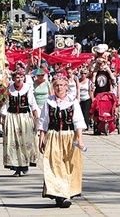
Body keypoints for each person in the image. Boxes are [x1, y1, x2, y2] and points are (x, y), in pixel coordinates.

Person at [37, 73, 86, 208]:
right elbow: (43, 122)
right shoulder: (49, 102)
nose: (59, 88)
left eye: (62, 85)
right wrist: (41, 139)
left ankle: (66, 193)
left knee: (68, 165)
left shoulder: (72, 102)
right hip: (53, 136)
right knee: (55, 165)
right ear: (53, 87)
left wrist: (80, 139)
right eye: (57, 85)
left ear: (66, 86)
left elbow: (78, 122)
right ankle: (60, 194)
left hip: (69, 136)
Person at [3, 68, 39, 176]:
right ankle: (16, 166)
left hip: (24, 117)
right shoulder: (9, 89)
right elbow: (5, 104)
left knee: (25, 140)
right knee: (13, 142)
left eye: (21, 77)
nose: (19, 79)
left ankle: (25, 164)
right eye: (17, 77)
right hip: (12, 117)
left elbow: (32, 104)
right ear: (13, 78)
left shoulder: (27, 88)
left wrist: (36, 118)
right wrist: (4, 118)